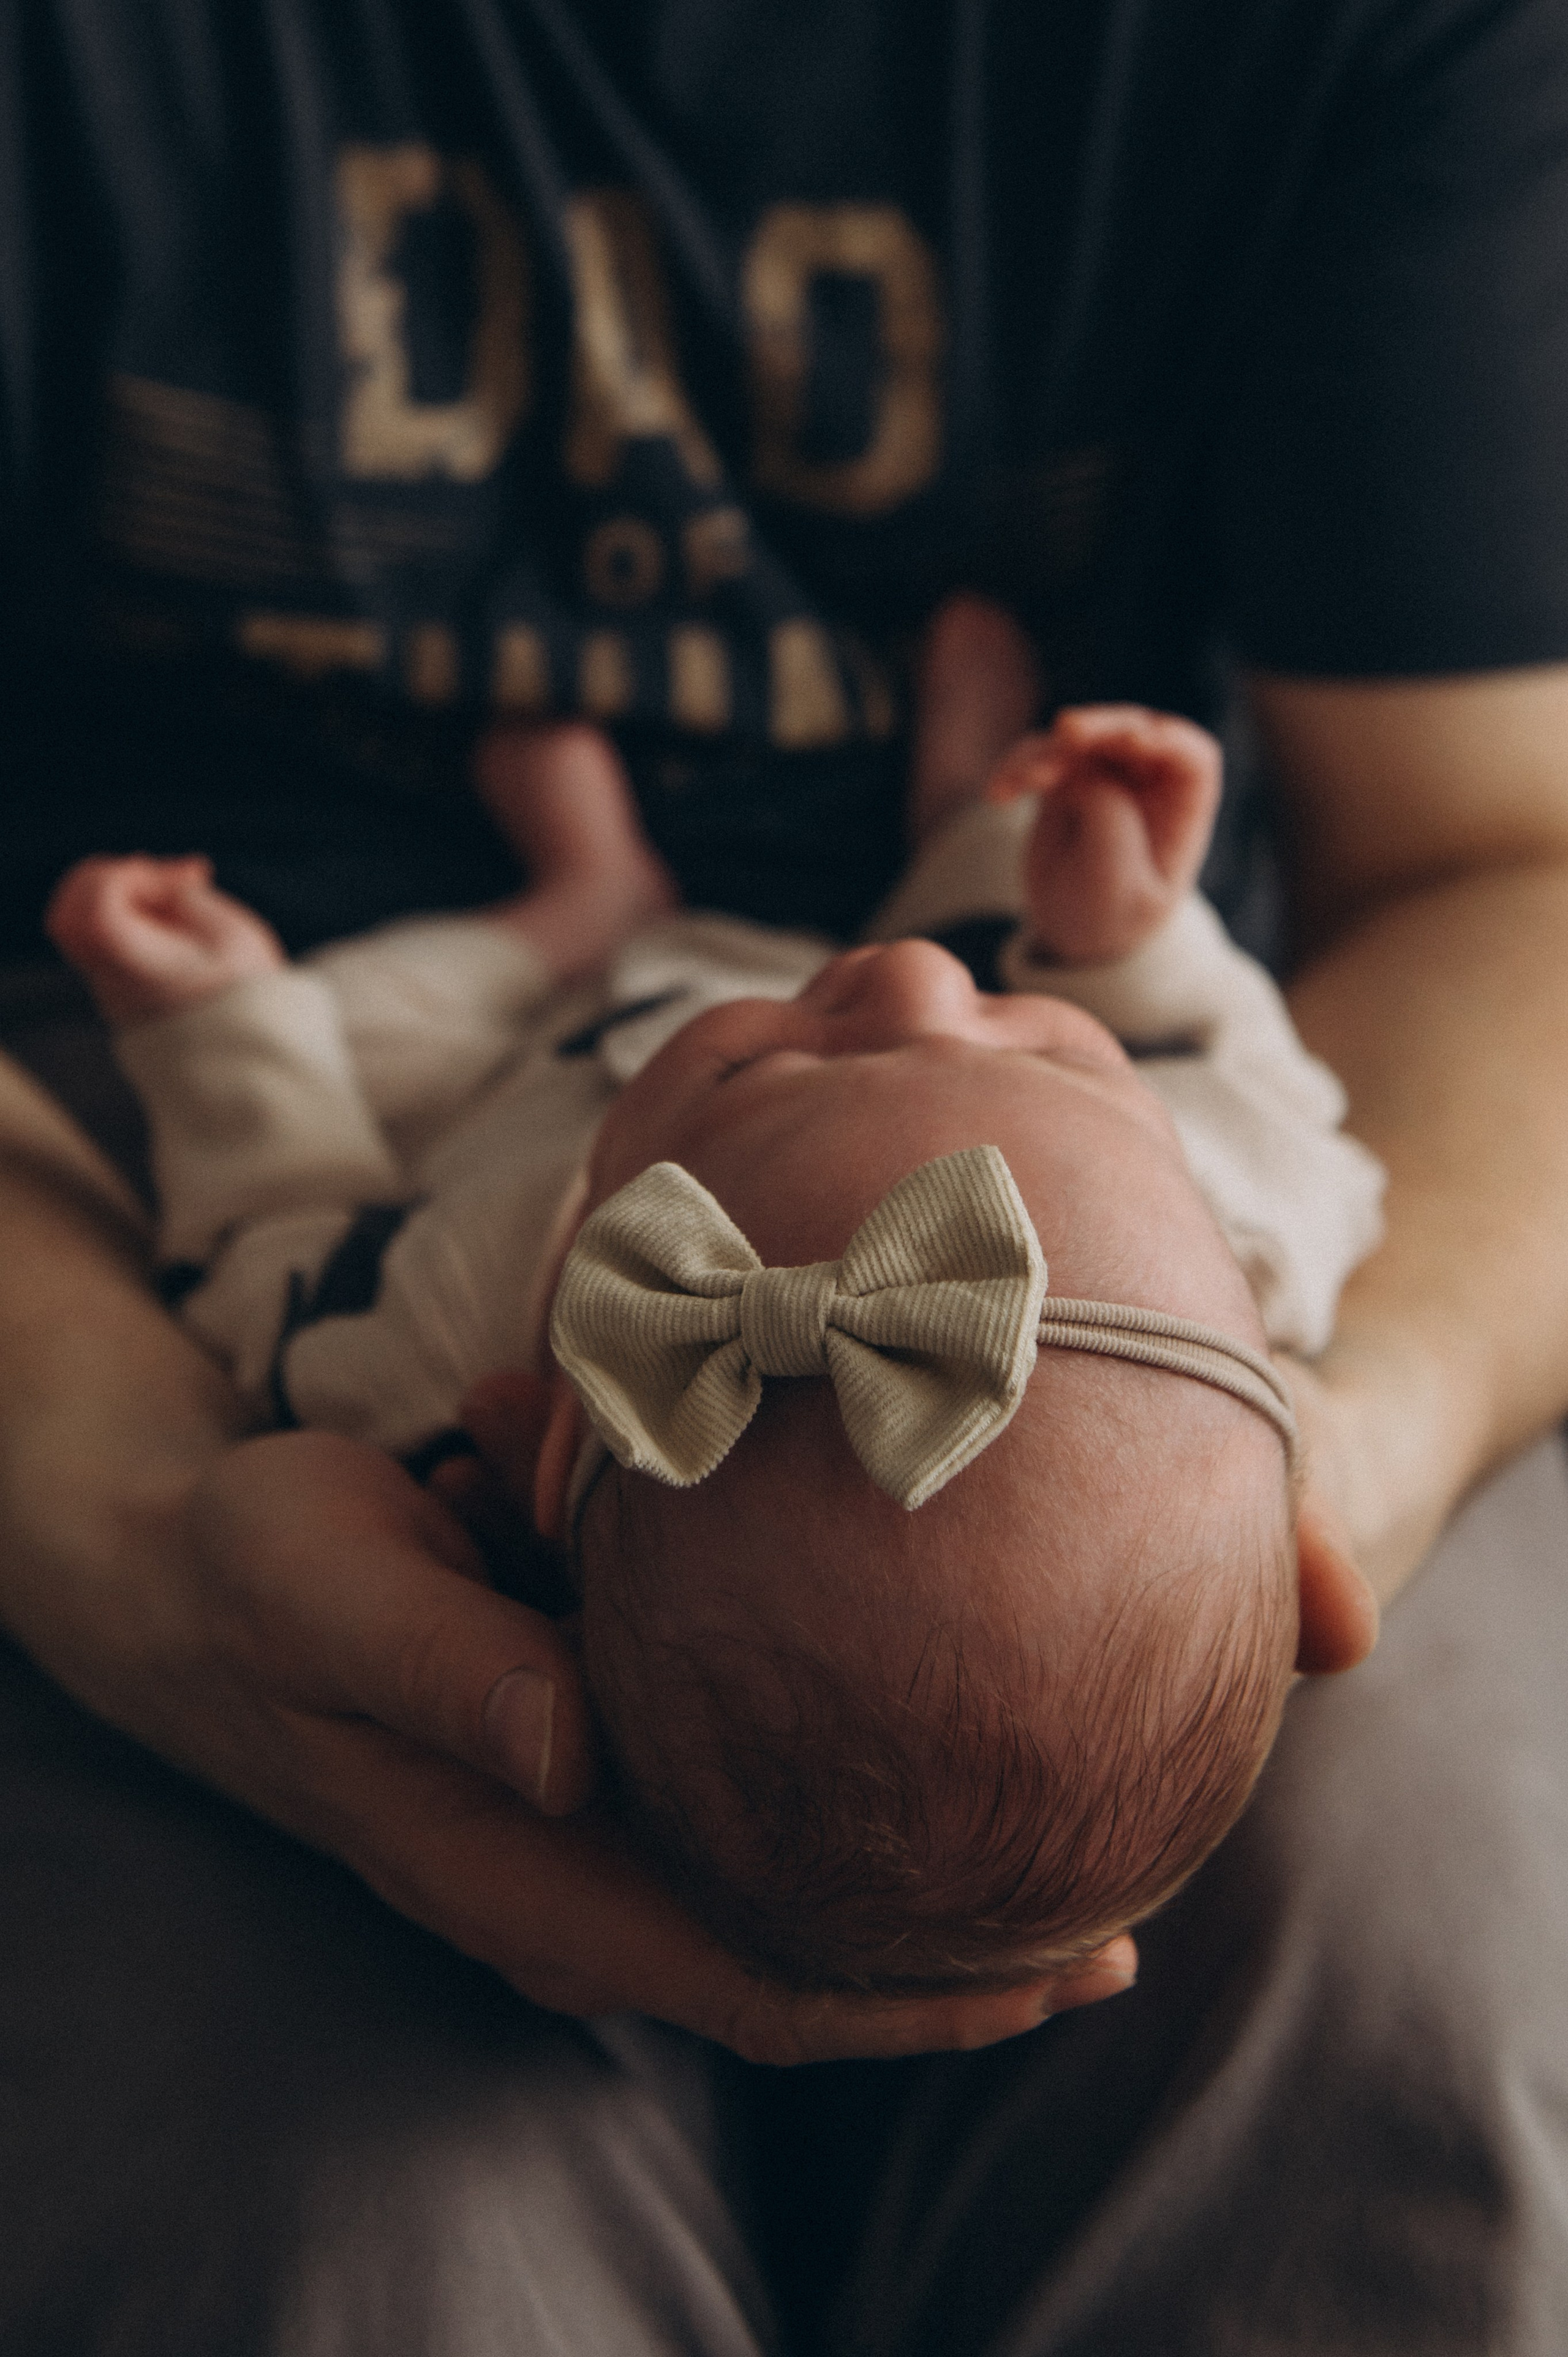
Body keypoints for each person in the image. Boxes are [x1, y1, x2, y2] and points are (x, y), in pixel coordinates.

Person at [6, 2, 1568, 2350]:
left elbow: (1498, 864)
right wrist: (122, 1514)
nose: (906, 980)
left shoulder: (493, 1300)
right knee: (339, 2217)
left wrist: (1358, 1429)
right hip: (96, 1136)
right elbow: (280, 1212)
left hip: (1093, 1207)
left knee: (1382, 2039)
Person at [42, 594, 1383, 1994]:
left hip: (558, 1040)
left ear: (565, 1432)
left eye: (764, 1073)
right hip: (930, 946)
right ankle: (970, 813)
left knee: (353, 1033)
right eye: (1053, 1065)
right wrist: (1124, 955)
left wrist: (216, 1032)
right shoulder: (1230, 1219)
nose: (912, 981)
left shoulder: (448, 1325)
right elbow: (1273, 1104)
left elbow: (272, 1247)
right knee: (1006, 913)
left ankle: (575, 901)